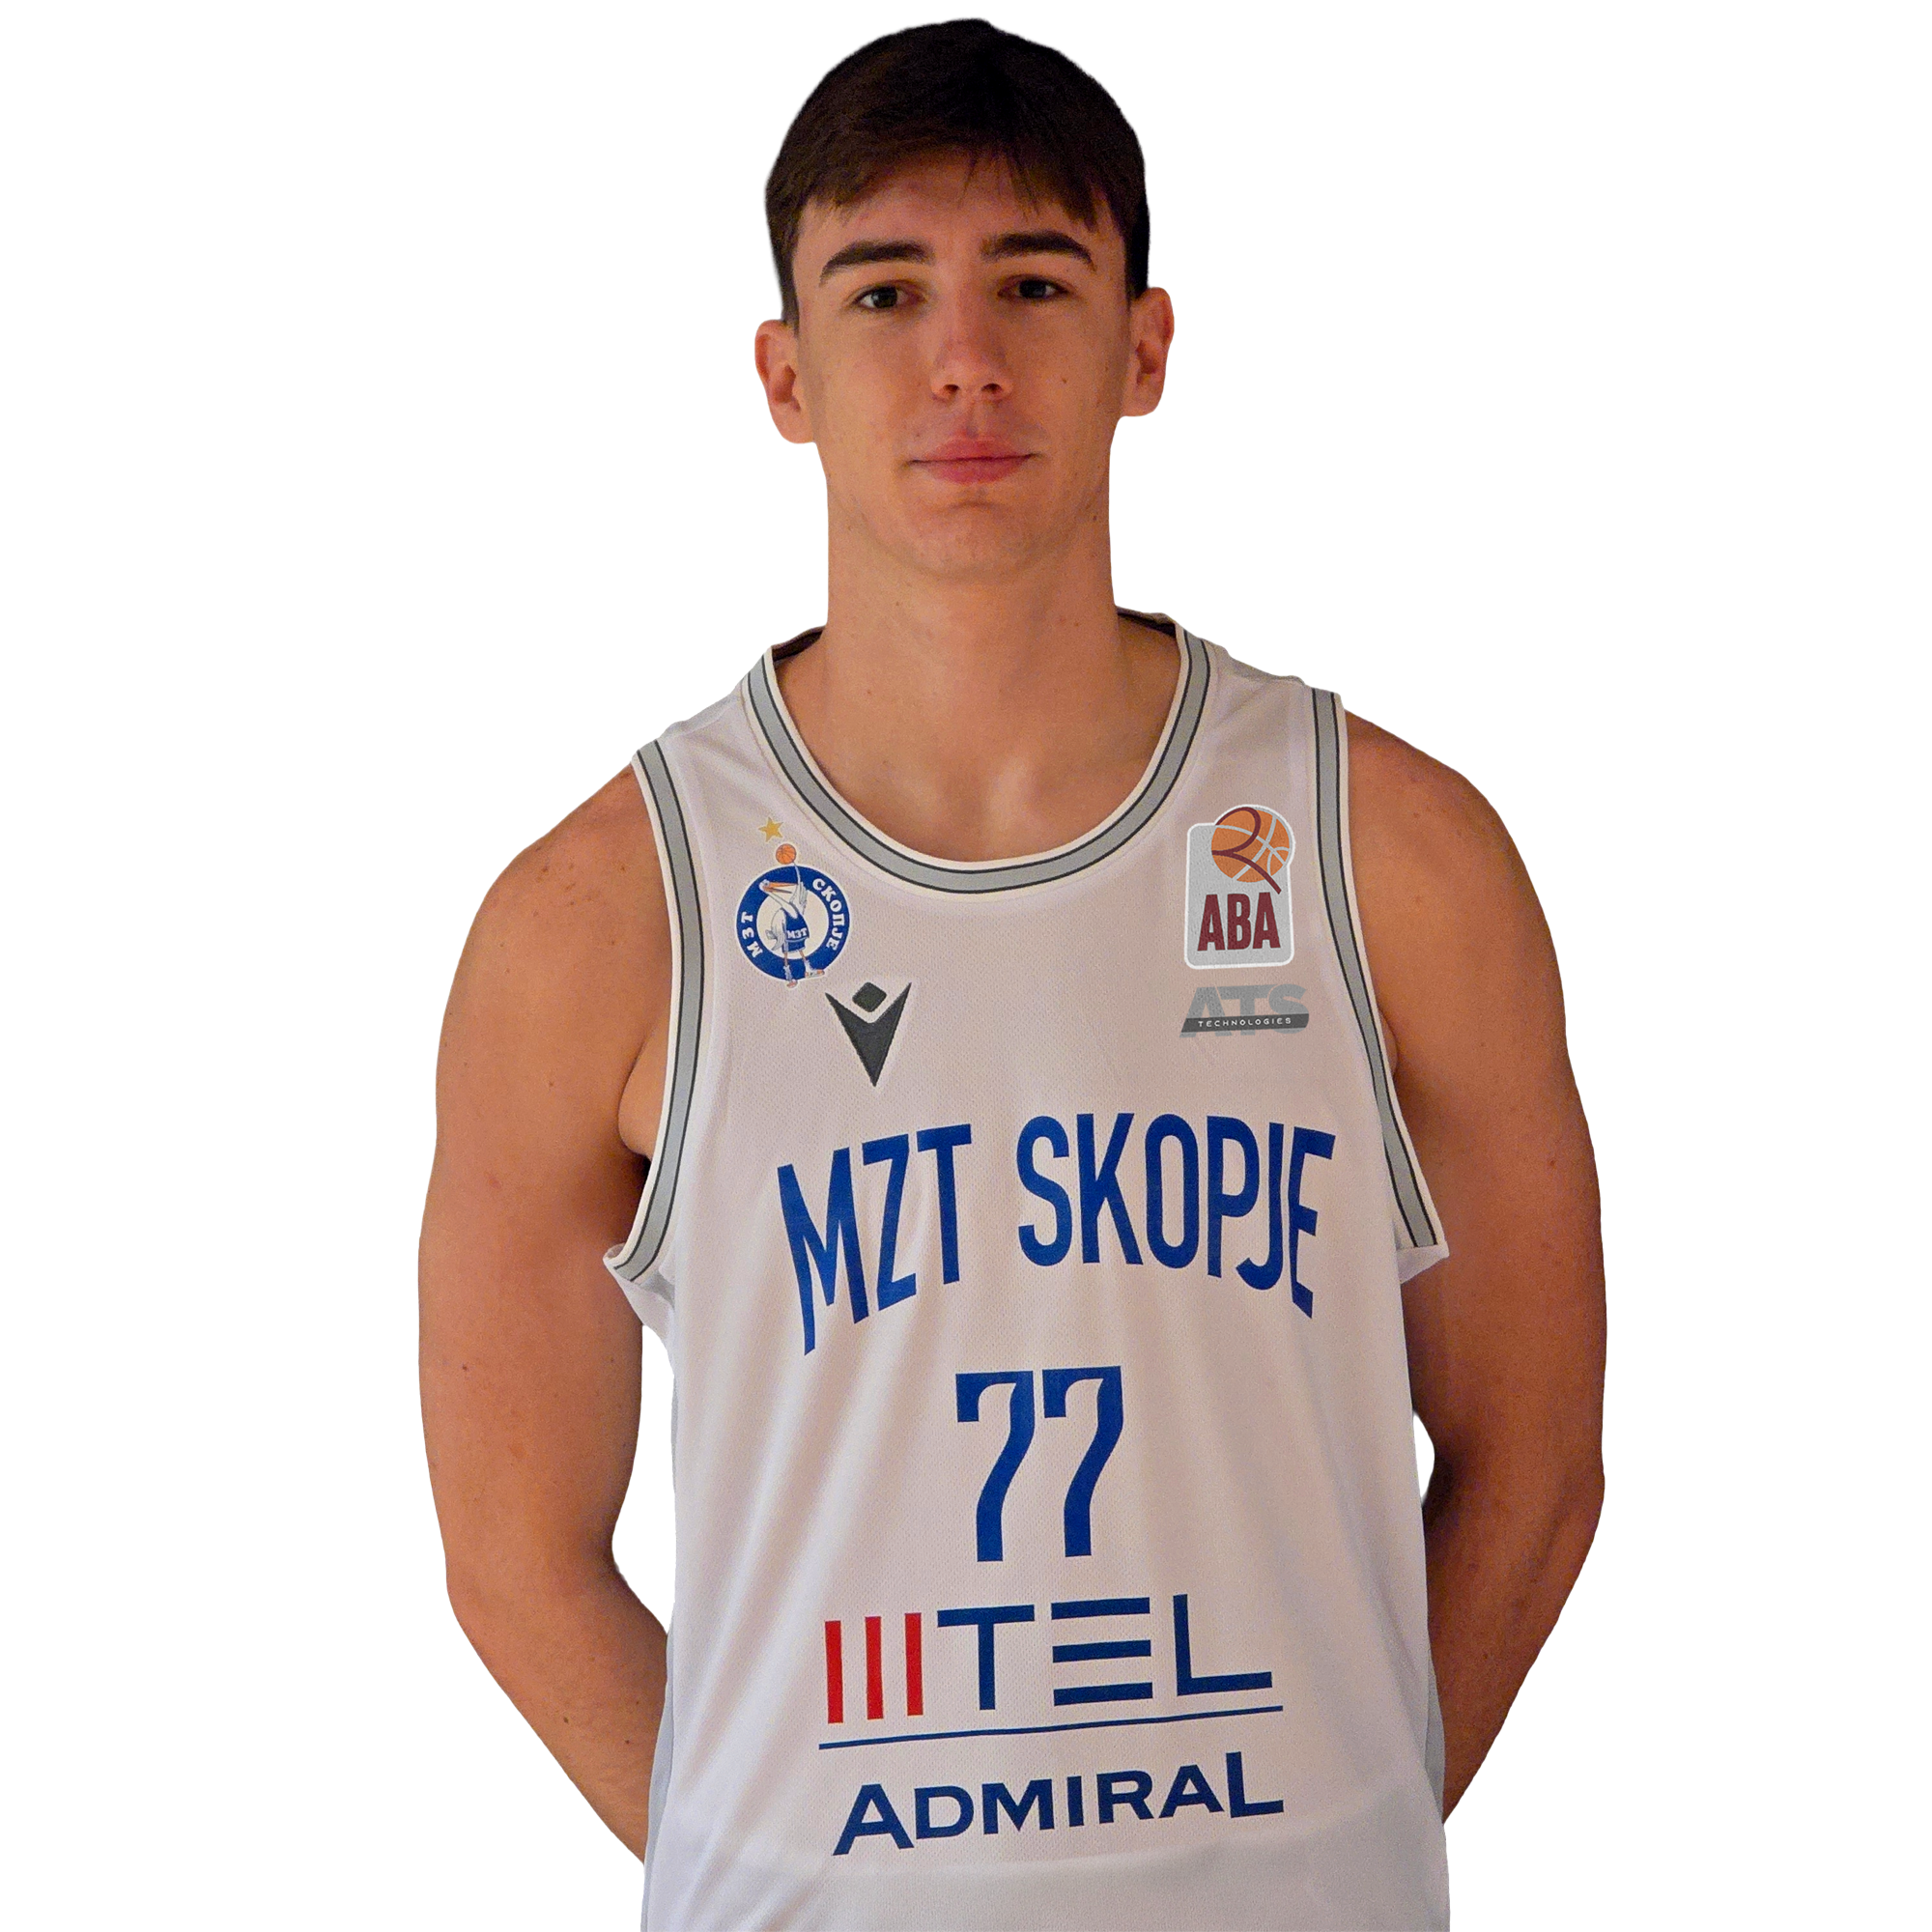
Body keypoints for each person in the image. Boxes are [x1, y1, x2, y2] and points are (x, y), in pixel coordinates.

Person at [418, 18, 1605, 1929]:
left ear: (1144, 347)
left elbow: (1532, 1461)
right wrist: (789, 1871)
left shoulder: (1386, 854)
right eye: (885, 291)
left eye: (1035, 284)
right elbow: (513, 1554)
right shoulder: (601, 916)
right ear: (785, 375)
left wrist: (1329, 1845)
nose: (963, 356)